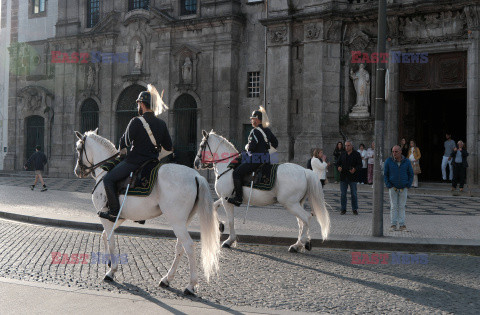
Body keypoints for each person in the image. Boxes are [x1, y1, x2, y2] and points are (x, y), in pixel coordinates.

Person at [98, 90, 173, 222]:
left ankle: (114, 212)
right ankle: (139, 215)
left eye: (138, 104)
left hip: (134, 162)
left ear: (142, 105)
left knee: (108, 180)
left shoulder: (136, 121)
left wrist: (122, 151)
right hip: (153, 164)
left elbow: (124, 142)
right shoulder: (162, 124)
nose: (138, 106)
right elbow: (169, 147)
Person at [227, 107, 278, 206]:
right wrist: (267, 148)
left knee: (236, 173)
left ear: (258, 119)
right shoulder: (267, 130)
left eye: (253, 118)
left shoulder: (254, 131)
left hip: (256, 159)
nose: (251, 120)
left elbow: (251, 148)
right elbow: (275, 143)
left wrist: (247, 148)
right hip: (267, 159)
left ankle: (238, 198)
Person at [384, 145, 413, 231]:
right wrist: (389, 185)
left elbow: (411, 174)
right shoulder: (388, 161)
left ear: (400, 152)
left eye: (396, 151)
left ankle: (402, 225)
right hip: (393, 187)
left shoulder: (407, 161)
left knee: (402, 206)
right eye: (393, 151)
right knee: (393, 206)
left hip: (403, 187)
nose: (394, 153)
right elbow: (385, 174)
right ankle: (393, 224)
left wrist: (408, 185)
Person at [336, 140, 362, 215]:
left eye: (348, 145)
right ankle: (343, 209)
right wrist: (338, 167)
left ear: (352, 146)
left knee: (354, 193)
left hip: (353, 177)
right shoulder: (342, 154)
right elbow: (337, 163)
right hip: (343, 177)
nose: (346, 147)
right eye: (346, 145)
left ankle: (354, 209)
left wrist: (355, 169)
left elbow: (360, 165)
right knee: (343, 194)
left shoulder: (356, 154)